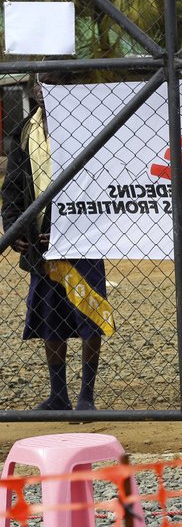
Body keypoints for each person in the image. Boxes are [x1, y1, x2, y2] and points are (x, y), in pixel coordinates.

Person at [1, 85, 114, 411]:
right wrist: (14, 229)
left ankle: (86, 397)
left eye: (48, 78)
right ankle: (59, 395)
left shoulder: (83, 123)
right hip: (40, 246)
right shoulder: (24, 131)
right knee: (50, 319)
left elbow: (99, 183)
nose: (39, 86)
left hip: (83, 242)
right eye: (37, 79)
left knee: (89, 315)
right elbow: (13, 189)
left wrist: (70, 226)